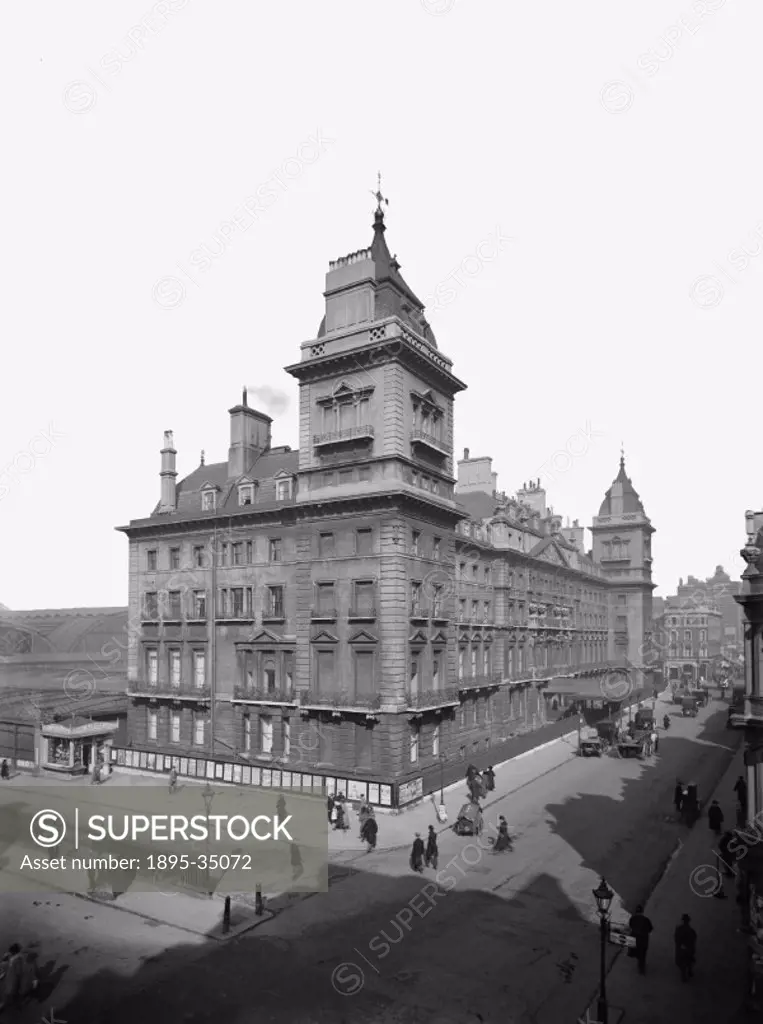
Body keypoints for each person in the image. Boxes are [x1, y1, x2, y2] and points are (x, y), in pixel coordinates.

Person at [629, 905, 654, 974]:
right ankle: (641, 968)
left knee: (637, 952)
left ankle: (640, 964)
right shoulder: (646, 920)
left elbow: (630, 926)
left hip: (635, 940)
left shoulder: (632, 919)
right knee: (643, 954)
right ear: (642, 912)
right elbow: (650, 929)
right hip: (643, 940)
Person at [0, 944, 24, 1011]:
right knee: (9, 992)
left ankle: (5, 1005)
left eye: (11, 952)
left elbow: (18, 972)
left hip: (12, 980)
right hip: (9, 978)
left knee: (10, 992)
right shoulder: (14, 958)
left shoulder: (17, 960)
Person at [674, 914, 697, 981]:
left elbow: (676, 939)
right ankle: (689, 970)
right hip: (688, 948)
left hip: (681, 948)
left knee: (681, 961)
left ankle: (684, 974)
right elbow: (694, 939)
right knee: (689, 959)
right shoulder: (691, 930)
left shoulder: (679, 929)